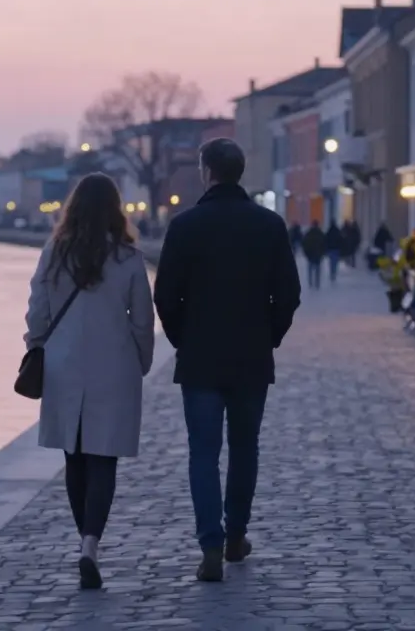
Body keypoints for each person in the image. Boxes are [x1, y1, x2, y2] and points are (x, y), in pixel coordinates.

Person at [153, 138, 301, 583]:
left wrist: (184, 338)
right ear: (240, 171)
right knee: (244, 448)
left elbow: (165, 296)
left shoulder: (185, 227)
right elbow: (289, 295)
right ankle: (236, 535)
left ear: (206, 171)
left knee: (203, 452)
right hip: (250, 357)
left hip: (200, 357)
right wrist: (268, 337)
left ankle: (210, 546)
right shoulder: (269, 225)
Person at [24, 172, 156, 590]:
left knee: (74, 458)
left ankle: (85, 542)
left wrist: (37, 344)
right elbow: (143, 321)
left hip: (64, 365)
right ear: (115, 210)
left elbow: (37, 311)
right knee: (104, 459)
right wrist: (143, 362)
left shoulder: (53, 253)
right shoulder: (129, 259)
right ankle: (91, 543)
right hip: (113, 367)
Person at [301, 221, 326, 289]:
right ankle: (317, 282)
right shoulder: (320, 233)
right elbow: (324, 244)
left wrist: (306, 253)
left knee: (310, 268)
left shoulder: (308, 233)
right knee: (317, 269)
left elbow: (304, 243)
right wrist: (322, 253)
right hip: (317, 254)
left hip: (310, 254)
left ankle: (310, 282)